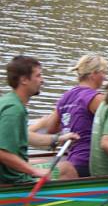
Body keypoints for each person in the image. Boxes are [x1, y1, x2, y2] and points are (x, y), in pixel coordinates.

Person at [0, 56, 78, 185]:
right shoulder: (14, 110)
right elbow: (2, 152)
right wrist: (34, 171)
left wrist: (58, 138)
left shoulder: (8, 100)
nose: (42, 80)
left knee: (45, 163)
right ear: (24, 80)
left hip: (9, 172)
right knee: (67, 169)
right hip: (12, 178)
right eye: (38, 76)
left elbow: (26, 137)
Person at [35, 54, 108, 179]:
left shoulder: (65, 97)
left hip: (73, 159)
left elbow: (51, 129)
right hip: (89, 163)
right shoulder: (97, 98)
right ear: (93, 74)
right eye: (103, 72)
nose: (105, 77)